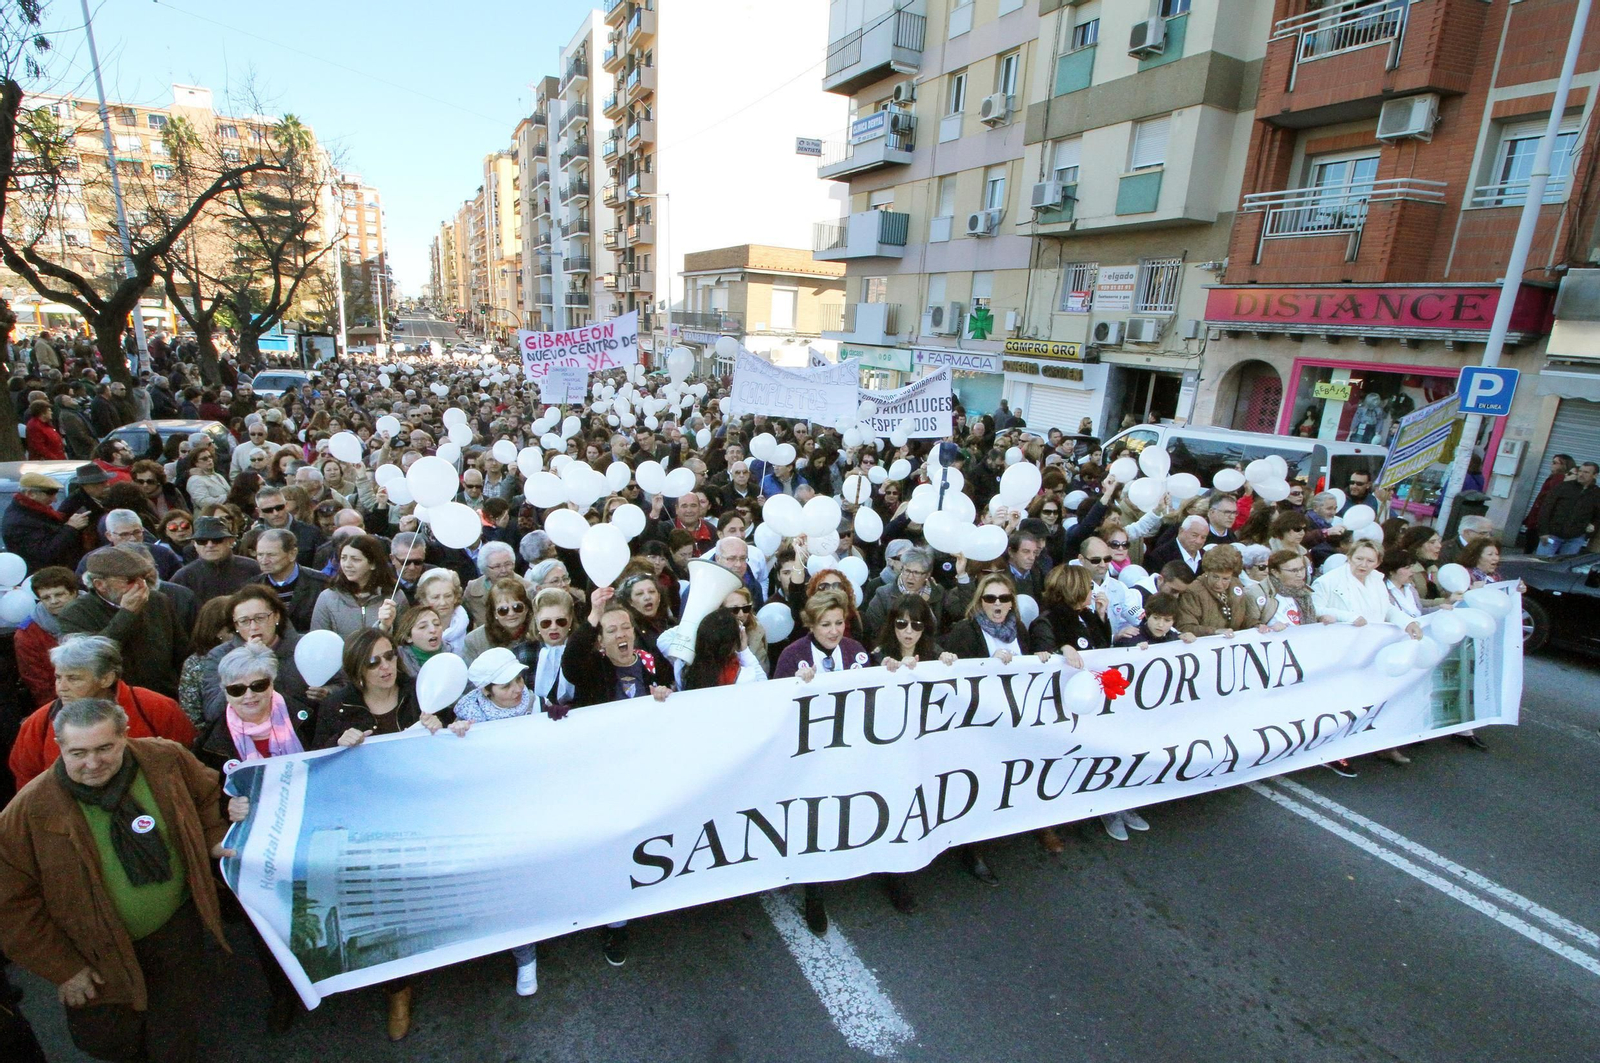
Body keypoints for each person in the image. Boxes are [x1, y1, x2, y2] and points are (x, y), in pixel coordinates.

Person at [0, 698, 236, 1063]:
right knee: (109, 1039)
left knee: (175, 1028)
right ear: (59, 746)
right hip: (92, 953)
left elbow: (206, 794)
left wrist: (212, 838)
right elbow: (11, 906)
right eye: (78, 752)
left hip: (176, 928)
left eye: (105, 748)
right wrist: (64, 969)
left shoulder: (165, 759)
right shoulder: (29, 811)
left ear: (125, 736)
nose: (93, 763)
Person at [9, 636, 194, 790]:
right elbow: (26, 779)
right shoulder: (38, 724)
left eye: (73, 679)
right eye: (58, 678)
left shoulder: (156, 708)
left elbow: (187, 761)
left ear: (106, 679)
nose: (61, 688)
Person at [58, 547, 188, 699]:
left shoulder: (158, 601)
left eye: (144, 578)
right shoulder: (75, 613)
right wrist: (127, 614)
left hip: (163, 695)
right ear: (100, 584)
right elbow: (92, 659)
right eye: (131, 580)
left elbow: (181, 651)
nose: (141, 585)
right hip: (114, 700)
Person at [200, 585, 329, 724]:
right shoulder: (219, 656)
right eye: (244, 621)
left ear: (276, 616)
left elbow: (341, 685)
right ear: (235, 626)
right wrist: (246, 659)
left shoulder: (307, 646)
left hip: (305, 728)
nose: (253, 627)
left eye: (260, 618)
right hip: (244, 734)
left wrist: (327, 692)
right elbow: (212, 712)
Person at [1175, 545, 1283, 638]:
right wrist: (1215, 632)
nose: (1219, 583)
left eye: (1225, 579)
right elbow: (1185, 626)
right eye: (1215, 577)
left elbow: (1241, 617)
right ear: (1207, 571)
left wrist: (1257, 625)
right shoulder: (1194, 591)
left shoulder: (1236, 585)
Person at [310, 534, 403, 638]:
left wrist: (385, 627)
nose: (347, 564)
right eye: (343, 558)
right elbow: (318, 639)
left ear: (373, 564)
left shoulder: (395, 596)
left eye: (355, 559)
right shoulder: (327, 598)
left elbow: (403, 639)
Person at [14, 566, 82, 707]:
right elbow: (39, 683)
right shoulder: (28, 634)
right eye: (46, 597)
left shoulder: (98, 610)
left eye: (59, 594)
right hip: (65, 702)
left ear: (74, 592)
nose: (53, 601)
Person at [2, 471, 93, 572]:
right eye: (50, 494)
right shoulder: (19, 522)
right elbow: (46, 552)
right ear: (30, 494)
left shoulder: (36, 511)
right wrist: (71, 528)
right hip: (43, 576)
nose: (54, 500)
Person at [772, 588, 872, 680]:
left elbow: (871, 686)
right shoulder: (792, 655)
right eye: (825, 625)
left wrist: (885, 671)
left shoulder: (854, 649)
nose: (834, 631)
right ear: (811, 625)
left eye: (839, 623)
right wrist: (795, 682)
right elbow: (779, 695)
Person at [249, 527, 328, 635]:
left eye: (271, 555)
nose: (264, 561)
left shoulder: (320, 583)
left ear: (292, 554)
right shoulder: (252, 588)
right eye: (260, 555)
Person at [169, 516, 260, 602]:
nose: (210, 545)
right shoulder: (183, 577)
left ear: (231, 541)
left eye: (217, 540)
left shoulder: (253, 568)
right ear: (195, 544)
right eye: (202, 541)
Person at [861, 546, 942, 637]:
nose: (910, 577)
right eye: (907, 571)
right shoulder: (883, 594)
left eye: (916, 573)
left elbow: (940, 630)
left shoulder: (937, 592)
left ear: (927, 574)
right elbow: (873, 629)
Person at [680, 608, 766, 690]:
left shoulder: (686, 671)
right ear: (732, 643)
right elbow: (763, 683)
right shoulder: (744, 677)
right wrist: (744, 649)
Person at [463, 578, 538, 666]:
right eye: (503, 610)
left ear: (526, 608)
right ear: (494, 613)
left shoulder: (539, 632)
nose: (511, 614)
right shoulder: (475, 640)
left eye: (517, 607)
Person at [1535, 460, 1598, 556]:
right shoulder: (1563, 487)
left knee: (1563, 567)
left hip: (1575, 538)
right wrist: (1543, 532)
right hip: (1553, 534)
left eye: (1586, 472)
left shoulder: (1596, 493)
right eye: (1580, 471)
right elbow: (1546, 509)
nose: (1581, 474)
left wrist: (1588, 532)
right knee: (1540, 563)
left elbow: (1597, 516)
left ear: (1594, 475)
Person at [1262, 550, 1334, 627]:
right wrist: (1268, 627)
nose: (1300, 575)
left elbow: (1307, 619)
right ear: (1275, 572)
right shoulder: (1261, 593)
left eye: (1302, 569)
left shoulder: (1304, 593)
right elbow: (1251, 624)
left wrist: (1320, 619)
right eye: (1294, 570)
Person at [415, 567, 470, 654]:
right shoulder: (414, 628)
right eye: (435, 597)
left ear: (456, 597)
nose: (443, 602)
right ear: (424, 599)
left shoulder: (469, 623)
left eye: (448, 596)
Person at [1112, 593, 1195, 648]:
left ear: (1173, 622)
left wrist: (1192, 644)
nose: (1161, 625)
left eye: (1167, 620)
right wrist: (1133, 653)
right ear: (1147, 615)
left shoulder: (1177, 639)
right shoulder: (1128, 639)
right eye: (1156, 618)